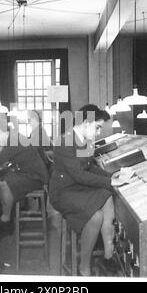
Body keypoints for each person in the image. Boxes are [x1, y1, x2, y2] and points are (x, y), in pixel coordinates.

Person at [49, 104, 131, 276]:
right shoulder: (64, 141)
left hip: (78, 188)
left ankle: (109, 249)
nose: (99, 132)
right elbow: (79, 175)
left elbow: (90, 167)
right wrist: (110, 182)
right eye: (97, 127)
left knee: (106, 193)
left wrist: (112, 177)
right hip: (64, 192)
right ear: (86, 122)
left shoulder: (85, 141)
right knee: (96, 216)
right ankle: (84, 266)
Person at [0, 123, 49, 231]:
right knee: (4, 178)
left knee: (3, 182)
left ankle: (6, 219)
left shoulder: (14, 140)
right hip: (30, 173)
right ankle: (9, 216)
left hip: (36, 177)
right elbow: (1, 157)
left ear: (2, 132)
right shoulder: (14, 137)